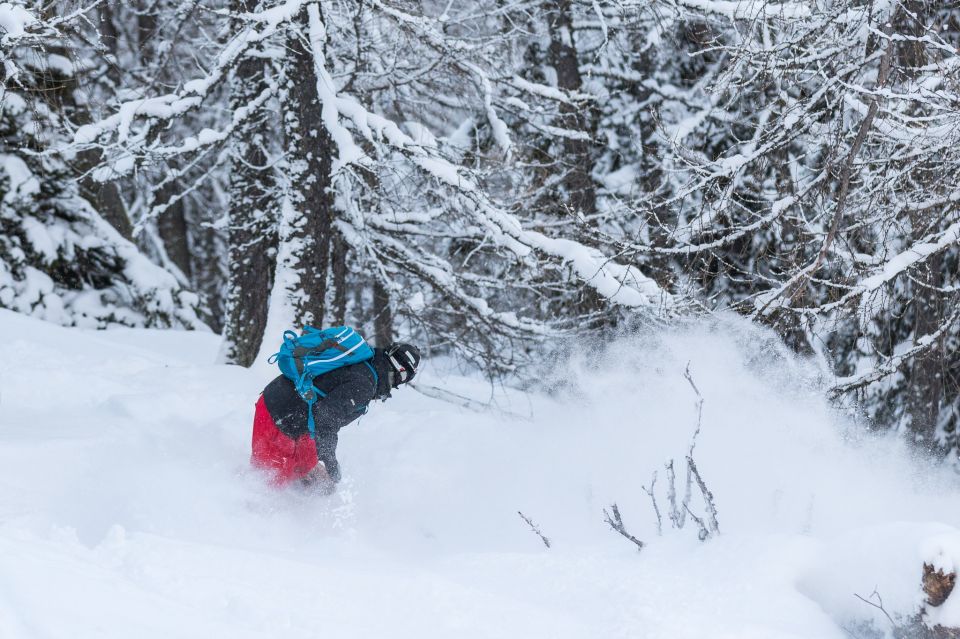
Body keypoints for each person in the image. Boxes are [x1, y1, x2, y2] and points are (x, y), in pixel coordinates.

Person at [251, 341, 421, 490]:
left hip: (298, 417)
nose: (398, 385)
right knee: (268, 481)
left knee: (309, 471)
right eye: (404, 378)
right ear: (398, 371)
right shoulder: (364, 384)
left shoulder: (366, 364)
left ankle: (302, 496)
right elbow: (324, 417)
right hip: (279, 414)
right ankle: (240, 506)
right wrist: (330, 459)